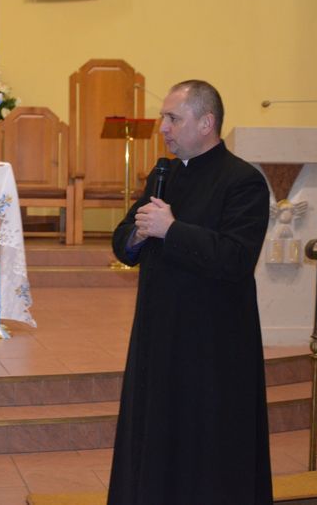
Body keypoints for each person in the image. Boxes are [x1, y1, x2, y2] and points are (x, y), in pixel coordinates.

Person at [108, 80, 273, 504]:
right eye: (164, 117)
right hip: (158, 337)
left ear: (206, 123)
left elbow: (236, 257)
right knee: (155, 442)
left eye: (173, 118)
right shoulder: (163, 175)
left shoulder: (243, 181)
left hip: (211, 346)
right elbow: (123, 239)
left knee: (205, 449)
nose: (163, 127)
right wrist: (136, 237)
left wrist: (171, 230)